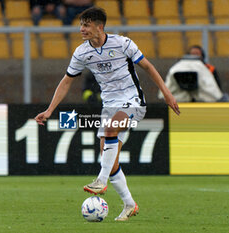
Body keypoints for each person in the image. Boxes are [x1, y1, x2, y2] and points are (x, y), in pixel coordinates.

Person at [35, 7, 180, 221]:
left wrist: (167, 93)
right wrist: (49, 110)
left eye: (86, 25)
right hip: (109, 105)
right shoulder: (82, 52)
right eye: (81, 24)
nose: (82, 29)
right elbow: (66, 81)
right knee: (109, 160)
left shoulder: (122, 43)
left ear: (99, 27)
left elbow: (148, 67)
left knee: (111, 130)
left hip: (132, 100)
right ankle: (129, 204)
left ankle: (100, 181)